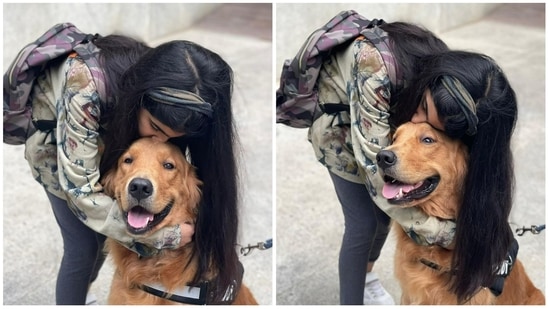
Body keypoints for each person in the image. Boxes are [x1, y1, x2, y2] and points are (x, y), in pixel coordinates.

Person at [21, 32, 240, 305]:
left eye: (173, 137)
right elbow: (82, 194)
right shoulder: (85, 83)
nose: (159, 141)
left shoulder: (173, 92)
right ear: (139, 99)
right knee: (84, 247)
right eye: (156, 127)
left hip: (111, 137)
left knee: (109, 229)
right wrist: (166, 236)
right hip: (58, 151)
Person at [306, 21, 455, 305]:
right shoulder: (373, 65)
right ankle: (351, 301)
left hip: (376, 125)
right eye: (423, 110)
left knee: (387, 212)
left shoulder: (436, 67)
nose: (426, 120)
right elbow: (373, 168)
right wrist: (440, 232)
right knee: (362, 223)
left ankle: (366, 277)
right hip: (337, 133)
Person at [389, 50, 518, 303]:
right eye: (423, 106)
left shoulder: (475, 161)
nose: (416, 119)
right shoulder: (393, 75)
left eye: (428, 138)